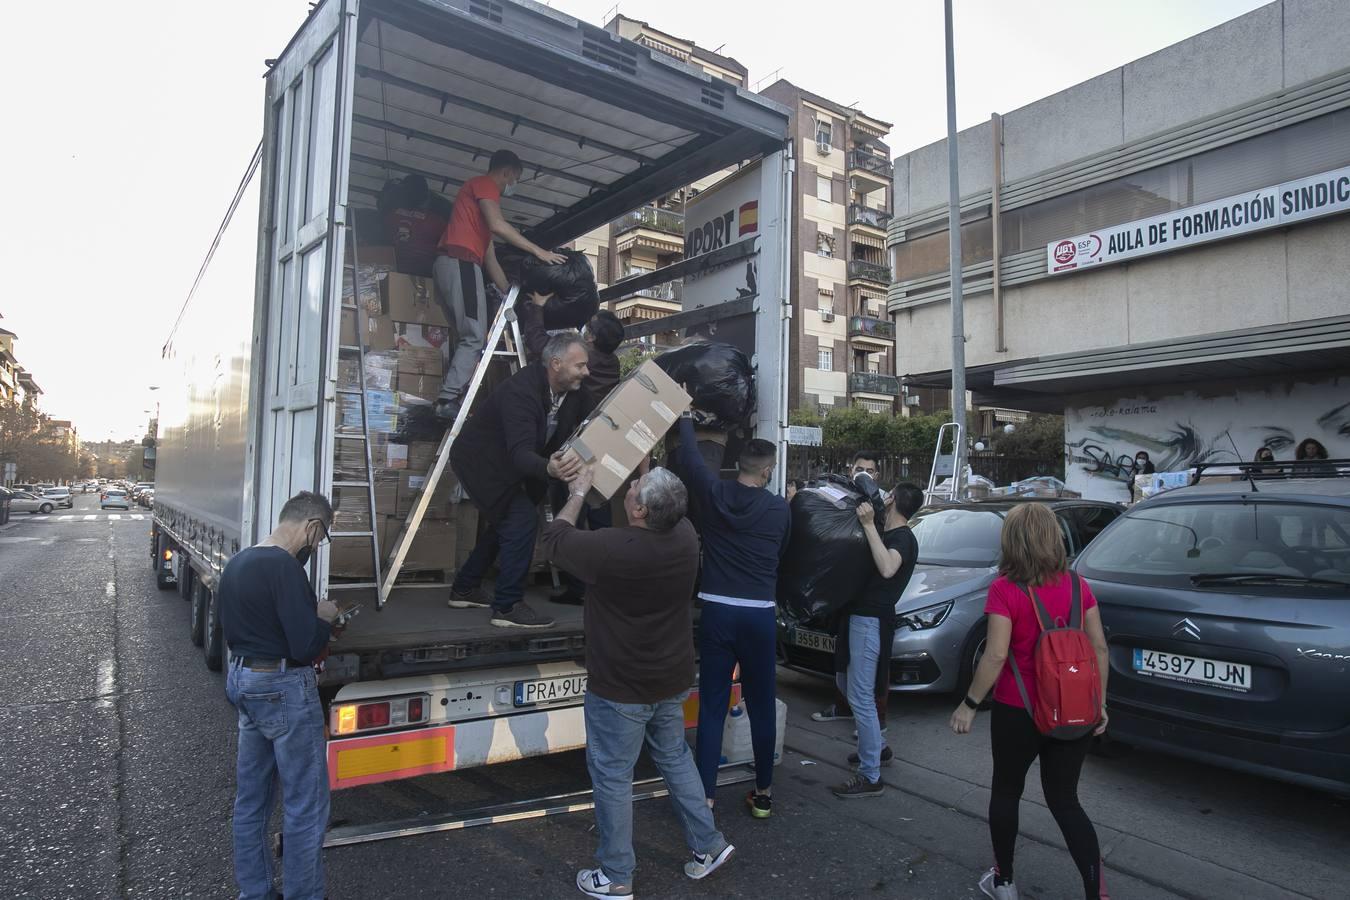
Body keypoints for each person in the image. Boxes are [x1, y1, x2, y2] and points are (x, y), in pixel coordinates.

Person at [541, 465, 735, 898]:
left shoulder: (613, 548)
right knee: (674, 757)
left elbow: (554, 540)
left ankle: (615, 875)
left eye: (633, 489)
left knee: (612, 775)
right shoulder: (685, 535)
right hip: (670, 676)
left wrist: (578, 491)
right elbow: (666, 505)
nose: (627, 488)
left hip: (621, 684)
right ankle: (708, 845)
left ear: (642, 510)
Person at [949, 502, 1110, 900]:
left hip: (1017, 710)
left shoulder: (1005, 589)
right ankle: (1097, 892)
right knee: (1066, 801)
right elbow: (1100, 649)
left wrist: (969, 704)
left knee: (1006, 792)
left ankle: (1004, 882)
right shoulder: (1078, 585)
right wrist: (1099, 705)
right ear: (1054, 539)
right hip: (1073, 711)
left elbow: (996, 654)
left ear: (1012, 542)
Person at [218, 491, 342, 900]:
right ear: (311, 526)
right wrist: (324, 618)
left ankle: (254, 892)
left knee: (252, 800)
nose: (316, 547)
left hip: (244, 681)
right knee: (306, 804)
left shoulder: (239, 562)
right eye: (320, 538)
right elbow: (305, 645)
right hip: (283, 688)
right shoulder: (285, 569)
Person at [674, 412, 791, 819]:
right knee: (760, 705)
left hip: (718, 611)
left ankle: (705, 797)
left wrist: (685, 418)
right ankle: (762, 793)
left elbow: (691, 460)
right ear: (768, 470)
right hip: (759, 615)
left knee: (711, 707)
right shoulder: (779, 510)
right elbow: (783, 554)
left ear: (739, 465)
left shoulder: (714, 494)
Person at [447, 332, 591, 628]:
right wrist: (550, 470)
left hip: (512, 462)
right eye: (580, 366)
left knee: (507, 522)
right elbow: (520, 453)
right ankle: (508, 606)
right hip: (481, 462)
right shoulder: (521, 392)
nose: (586, 372)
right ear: (555, 364)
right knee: (521, 520)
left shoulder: (572, 391)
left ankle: (465, 588)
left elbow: (599, 419)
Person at [434, 149, 567, 421]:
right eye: (514, 179)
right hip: (460, 262)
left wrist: (510, 294)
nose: (511, 186)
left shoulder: (474, 218)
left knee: (465, 336)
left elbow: (490, 258)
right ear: (506, 172)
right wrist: (540, 252)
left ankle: (449, 396)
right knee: (474, 336)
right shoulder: (484, 185)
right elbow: (499, 225)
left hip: (451, 265)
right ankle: (447, 399)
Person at [831, 482, 924, 798]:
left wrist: (870, 524)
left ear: (894, 500)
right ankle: (878, 747)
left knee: (860, 696)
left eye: (888, 495)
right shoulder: (889, 534)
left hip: (870, 621)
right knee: (845, 683)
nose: (883, 499)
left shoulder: (903, 538)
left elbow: (887, 568)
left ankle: (870, 775)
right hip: (857, 617)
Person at [812, 452, 893, 731]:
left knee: (872, 666)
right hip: (846, 593)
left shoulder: (881, 502)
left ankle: (874, 721)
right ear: (850, 469)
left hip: (870, 595)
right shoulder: (841, 495)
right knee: (843, 656)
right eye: (859, 469)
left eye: (869, 471)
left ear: (876, 475)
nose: (863, 475)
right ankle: (845, 706)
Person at [378, 174, 453, 276]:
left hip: (395, 268)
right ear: (426, 196)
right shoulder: (435, 221)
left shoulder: (391, 216)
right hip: (425, 271)